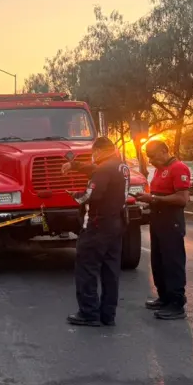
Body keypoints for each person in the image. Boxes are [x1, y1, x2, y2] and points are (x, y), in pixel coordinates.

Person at [61, 137, 130, 327]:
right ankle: (108, 314)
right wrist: (74, 165)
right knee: (110, 270)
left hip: (98, 226)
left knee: (87, 268)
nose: (93, 158)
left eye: (94, 154)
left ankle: (89, 312)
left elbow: (91, 194)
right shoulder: (121, 167)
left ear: (98, 151)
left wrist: (74, 195)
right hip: (117, 224)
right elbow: (95, 171)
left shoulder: (103, 169)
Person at [135, 140, 191, 320]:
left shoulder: (179, 168)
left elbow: (182, 199)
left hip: (171, 221)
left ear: (164, 151)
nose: (151, 161)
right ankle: (164, 297)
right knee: (158, 261)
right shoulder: (159, 170)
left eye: (153, 156)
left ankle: (176, 303)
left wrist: (154, 199)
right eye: (148, 157)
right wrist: (149, 199)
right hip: (157, 219)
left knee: (172, 262)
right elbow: (158, 195)